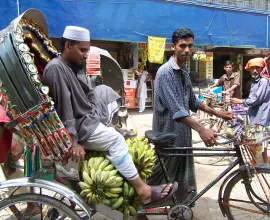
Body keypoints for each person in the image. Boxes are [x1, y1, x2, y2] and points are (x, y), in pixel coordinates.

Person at [42, 26, 178, 207]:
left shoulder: (72, 66)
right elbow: (65, 109)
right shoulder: (56, 69)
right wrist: (73, 141)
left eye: (87, 51)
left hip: (86, 120)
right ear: (68, 45)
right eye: (82, 50)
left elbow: (88, 94)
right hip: (78, 127)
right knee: (115, 140)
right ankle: (143, 191)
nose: (85, 55)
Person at [135, 28, 233, 219]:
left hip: (183, 134)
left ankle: (179, 209)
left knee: (179, 177)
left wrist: (218, 112)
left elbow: (192, 102)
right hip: (168, 134)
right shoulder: (166, 73)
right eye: (183, 46)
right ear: (174, 47)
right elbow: (177, 111)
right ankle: (138, 208)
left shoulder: (184, 72)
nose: (187, 50)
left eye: (190, 46)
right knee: (161, 175)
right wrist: (202, 129)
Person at [231, 57, 270, 164]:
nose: (254, 71)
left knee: (256, 139)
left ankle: (255, 163)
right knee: (260, 140)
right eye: (252, 68)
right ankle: (264, 162)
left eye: (257, 68)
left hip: (261, 116)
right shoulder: (255, 81)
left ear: (262, 68)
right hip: (255, 114)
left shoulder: (263, 81)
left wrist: (240, 101)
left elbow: (256, 99)